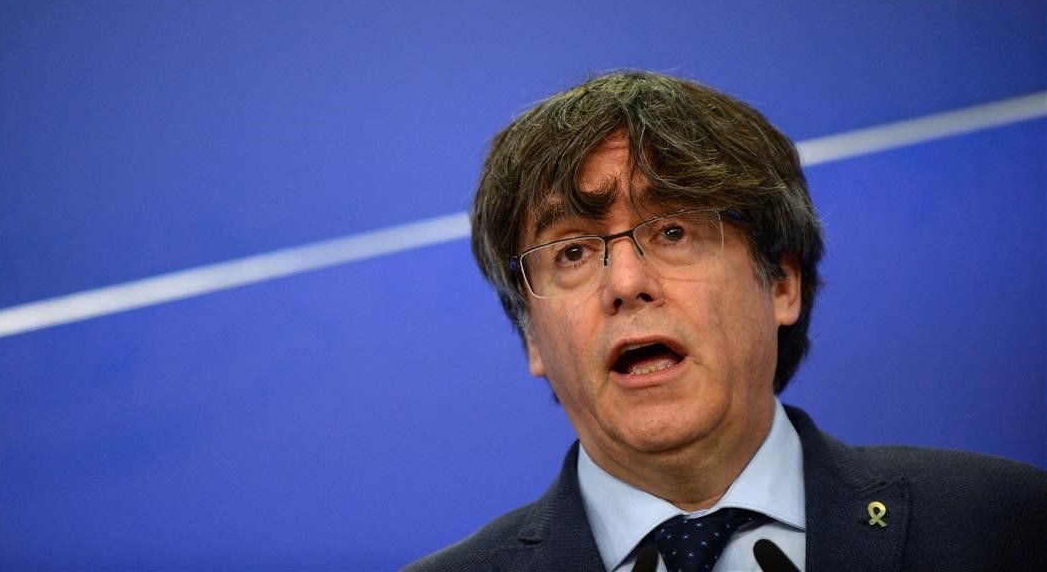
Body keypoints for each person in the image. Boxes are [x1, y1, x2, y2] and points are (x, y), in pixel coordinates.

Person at [405, 71, 1047, 571]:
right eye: (572, 252)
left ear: (781, 282)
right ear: (530, 335)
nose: (626, 284)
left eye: (674, 231)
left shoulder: (1005, 526)